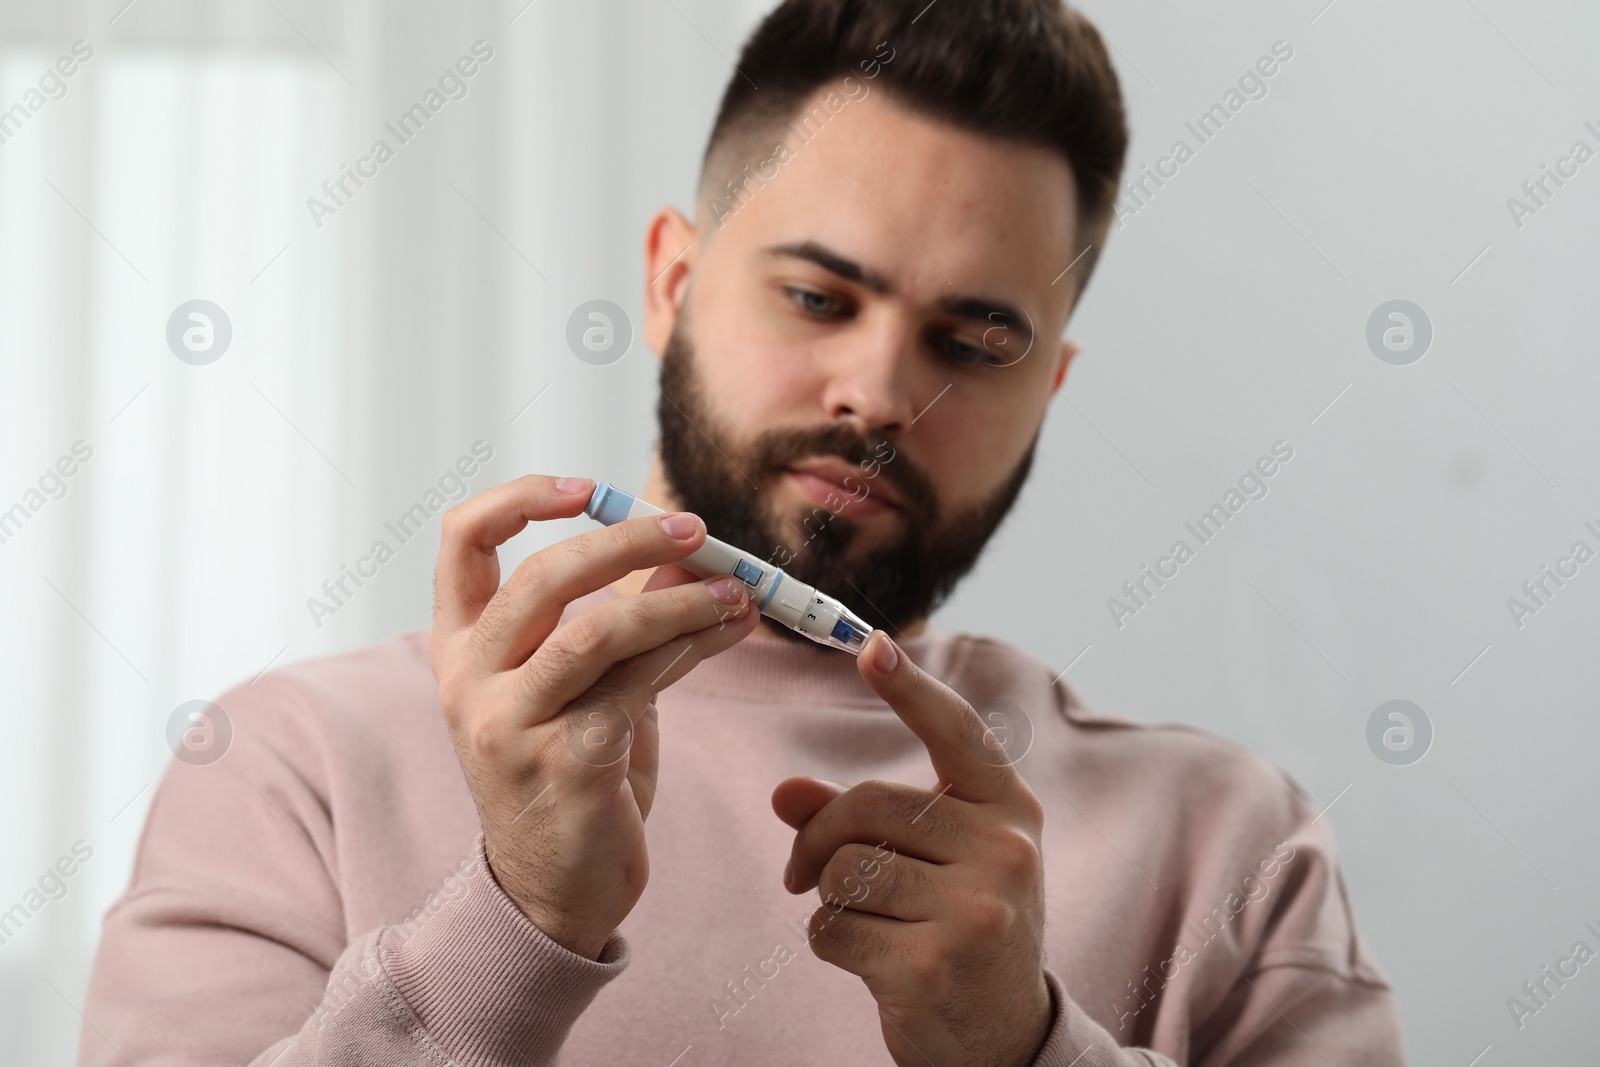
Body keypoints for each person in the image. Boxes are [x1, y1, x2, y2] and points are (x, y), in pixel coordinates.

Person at [77, 1, 1408, 1063]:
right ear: (672, 281)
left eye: (971, 342)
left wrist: (1026, 1052)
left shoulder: (1229, 847)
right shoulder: (288, 769)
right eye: (820, 298)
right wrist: (515, 922)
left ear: (1047, 387)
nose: (883, 394)